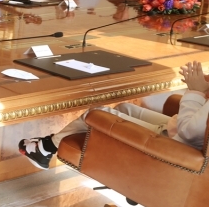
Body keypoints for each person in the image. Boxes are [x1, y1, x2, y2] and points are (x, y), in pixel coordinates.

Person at [18, 60, 209, 169]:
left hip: (179, 149)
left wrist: (196, 92)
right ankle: (48, 146)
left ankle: (45, 148)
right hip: (184, 134)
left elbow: (189, 132)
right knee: (124, 109)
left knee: (96, 114)